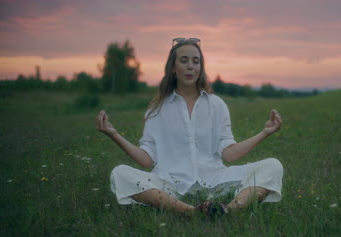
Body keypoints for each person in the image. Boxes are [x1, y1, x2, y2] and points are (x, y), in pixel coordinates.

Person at [96, 38, 283, 217]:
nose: (190, 66)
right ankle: (190, 211)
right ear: (172, 68)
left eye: (196, 61)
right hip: (171, 185)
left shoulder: (216, 105)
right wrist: (114, 135)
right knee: (120, 173)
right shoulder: (157, 110)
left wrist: (265, 133)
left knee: (273, 166)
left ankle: (227, 210)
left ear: (201, 68)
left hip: (216, 181)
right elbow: (146, 159)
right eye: (184, 60)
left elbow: (229, 154)